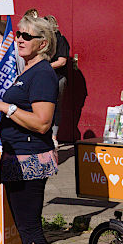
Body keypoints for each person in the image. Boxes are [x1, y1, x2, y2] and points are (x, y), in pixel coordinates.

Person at [0, 15, 58, 244]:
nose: (20, 39)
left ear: (42, 43)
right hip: (16, 157)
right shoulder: (26, 70)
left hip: (29, 161)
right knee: (26, 226)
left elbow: (42, 123)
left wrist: (6, 107)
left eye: (26, 36)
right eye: (18, 34)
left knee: (30, 226)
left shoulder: (42, 73)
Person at [44, 15, 69, 148]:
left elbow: (62, 61)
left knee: (55, 107)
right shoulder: (42, 41)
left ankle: (53, 137)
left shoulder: (60, 40)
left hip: (57, 78)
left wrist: (45, 67)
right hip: (44, 78)